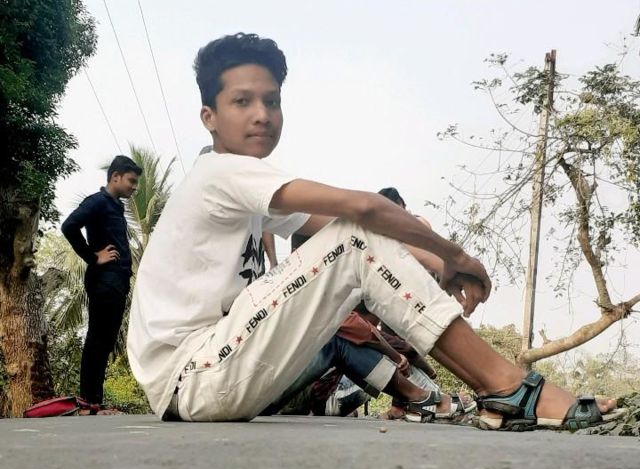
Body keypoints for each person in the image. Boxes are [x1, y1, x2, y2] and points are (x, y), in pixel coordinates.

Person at [127, 33, 621, 432]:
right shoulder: (219, 173)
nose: (262, 114)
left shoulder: (241, 186)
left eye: (271, 101)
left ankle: (500, 391)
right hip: (194, 375)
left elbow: (343, 229)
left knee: (356, 237)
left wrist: (433, 263)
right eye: (242, 101)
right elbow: (362, 210)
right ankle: (507, 387)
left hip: (210, 374)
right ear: (209, 118)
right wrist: (456, 257)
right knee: (357, 234)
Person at [61, 155, 143, 407]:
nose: (134, 187)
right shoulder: (97, 202)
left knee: (106, 341)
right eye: (131, 181)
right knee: (97, 339)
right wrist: (93, 257)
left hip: (118, 282)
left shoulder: (116, 206)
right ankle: (89, 401)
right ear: (115, 177)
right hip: (104, 281)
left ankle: (95, 400)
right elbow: (69, 226)